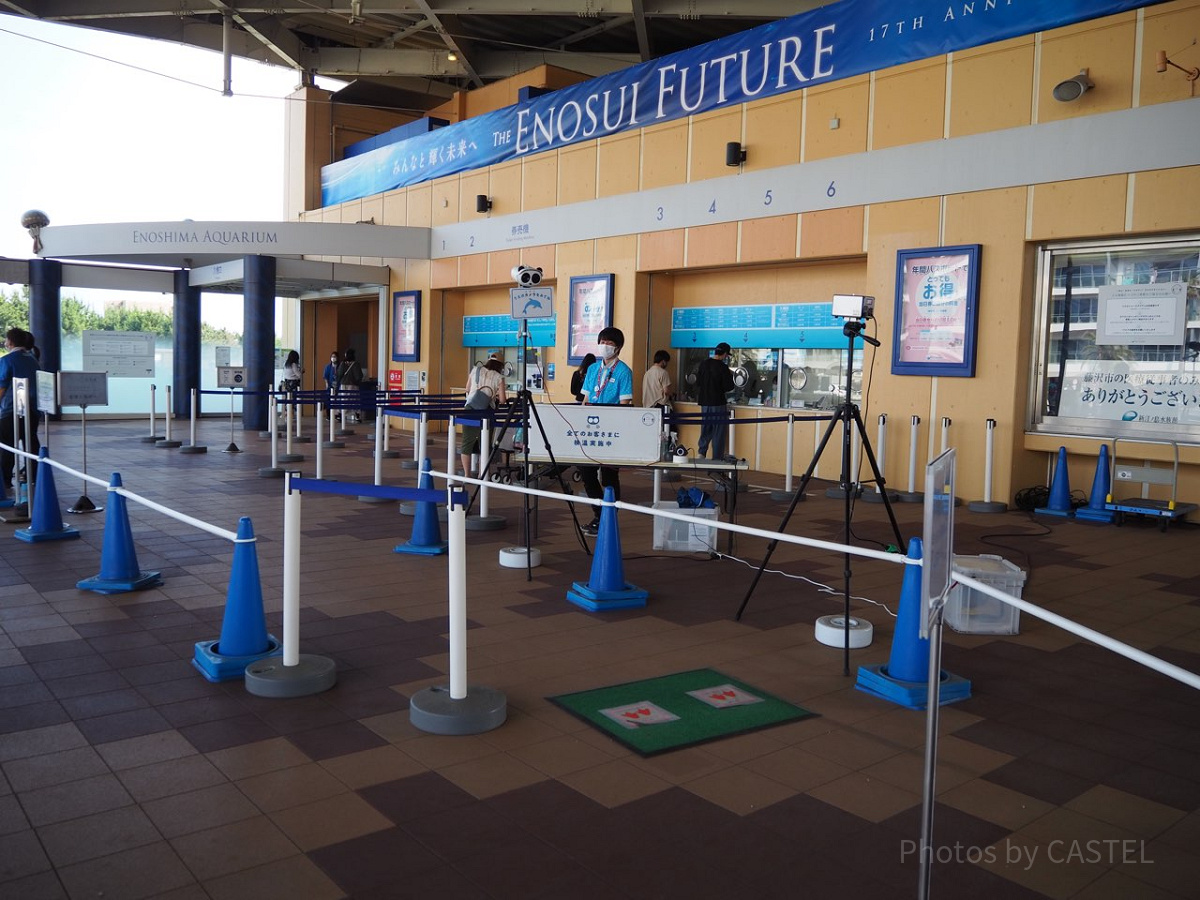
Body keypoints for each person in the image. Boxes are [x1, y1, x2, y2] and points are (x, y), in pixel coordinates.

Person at [579, 326, 633, 535]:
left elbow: (625, 403)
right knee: (587, 472)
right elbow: (585, 399)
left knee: (609, 477)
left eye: (609, 343)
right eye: (602, 342)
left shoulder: (623, 371)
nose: (605, 346)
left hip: (612, 430)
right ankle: (599, 515)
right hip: (590, 428)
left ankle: (610, 518)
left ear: (618, 347)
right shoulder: (593, 369)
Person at [0, 328, 40, 491]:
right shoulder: (32, 359)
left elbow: (2, 386)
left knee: (7, 446)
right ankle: (33, 477)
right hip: (31, 409)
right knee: (31, 443)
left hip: (10, 410)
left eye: (6, 339)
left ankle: (5, 481)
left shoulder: (7, 360)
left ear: (10, 342)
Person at [459, 358, 507, 477]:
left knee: (466, 442)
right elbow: (502, 400)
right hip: (487, 411)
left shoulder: (476, 370)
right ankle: (483, 475)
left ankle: (467, 475)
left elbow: (467, 389)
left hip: (470, 409)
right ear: (500, 366)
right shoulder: (499, 377)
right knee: (484, 445)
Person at [695, 341, 735, 460]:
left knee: (705, 427)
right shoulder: (723, 367)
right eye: (727, 355)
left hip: (704, 402)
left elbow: (698, 382)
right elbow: (729, 387)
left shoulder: (703, 364)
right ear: (724, 354)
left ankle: (701, 453)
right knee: (718, 430)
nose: (726, 357)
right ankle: (717, 458)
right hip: (718, 402)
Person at [337, 348, 364, 422]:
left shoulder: (342, 363)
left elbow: (339, 374)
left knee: (343, 400)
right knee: (354, 400)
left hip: (343, 385)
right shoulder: (356, 364)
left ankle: (341, 414)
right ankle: (357, 415)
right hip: (353, 385)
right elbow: (359, 376)